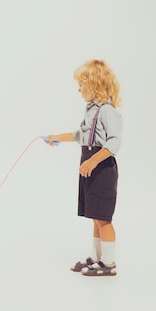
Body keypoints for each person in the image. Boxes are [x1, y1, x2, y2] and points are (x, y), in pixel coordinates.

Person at [45, 59, 122, 276]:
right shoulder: (90, 110)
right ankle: (97, 258)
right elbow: (81, 136)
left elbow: (114, 142)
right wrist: (57, 137)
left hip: (101, 167)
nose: (78, 89)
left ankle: (108, 263)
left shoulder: (107, 110)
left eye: (81, 85)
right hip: (90, 165)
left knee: (104, 218)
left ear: (95, 85)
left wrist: (92, 161)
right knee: (96, 216)